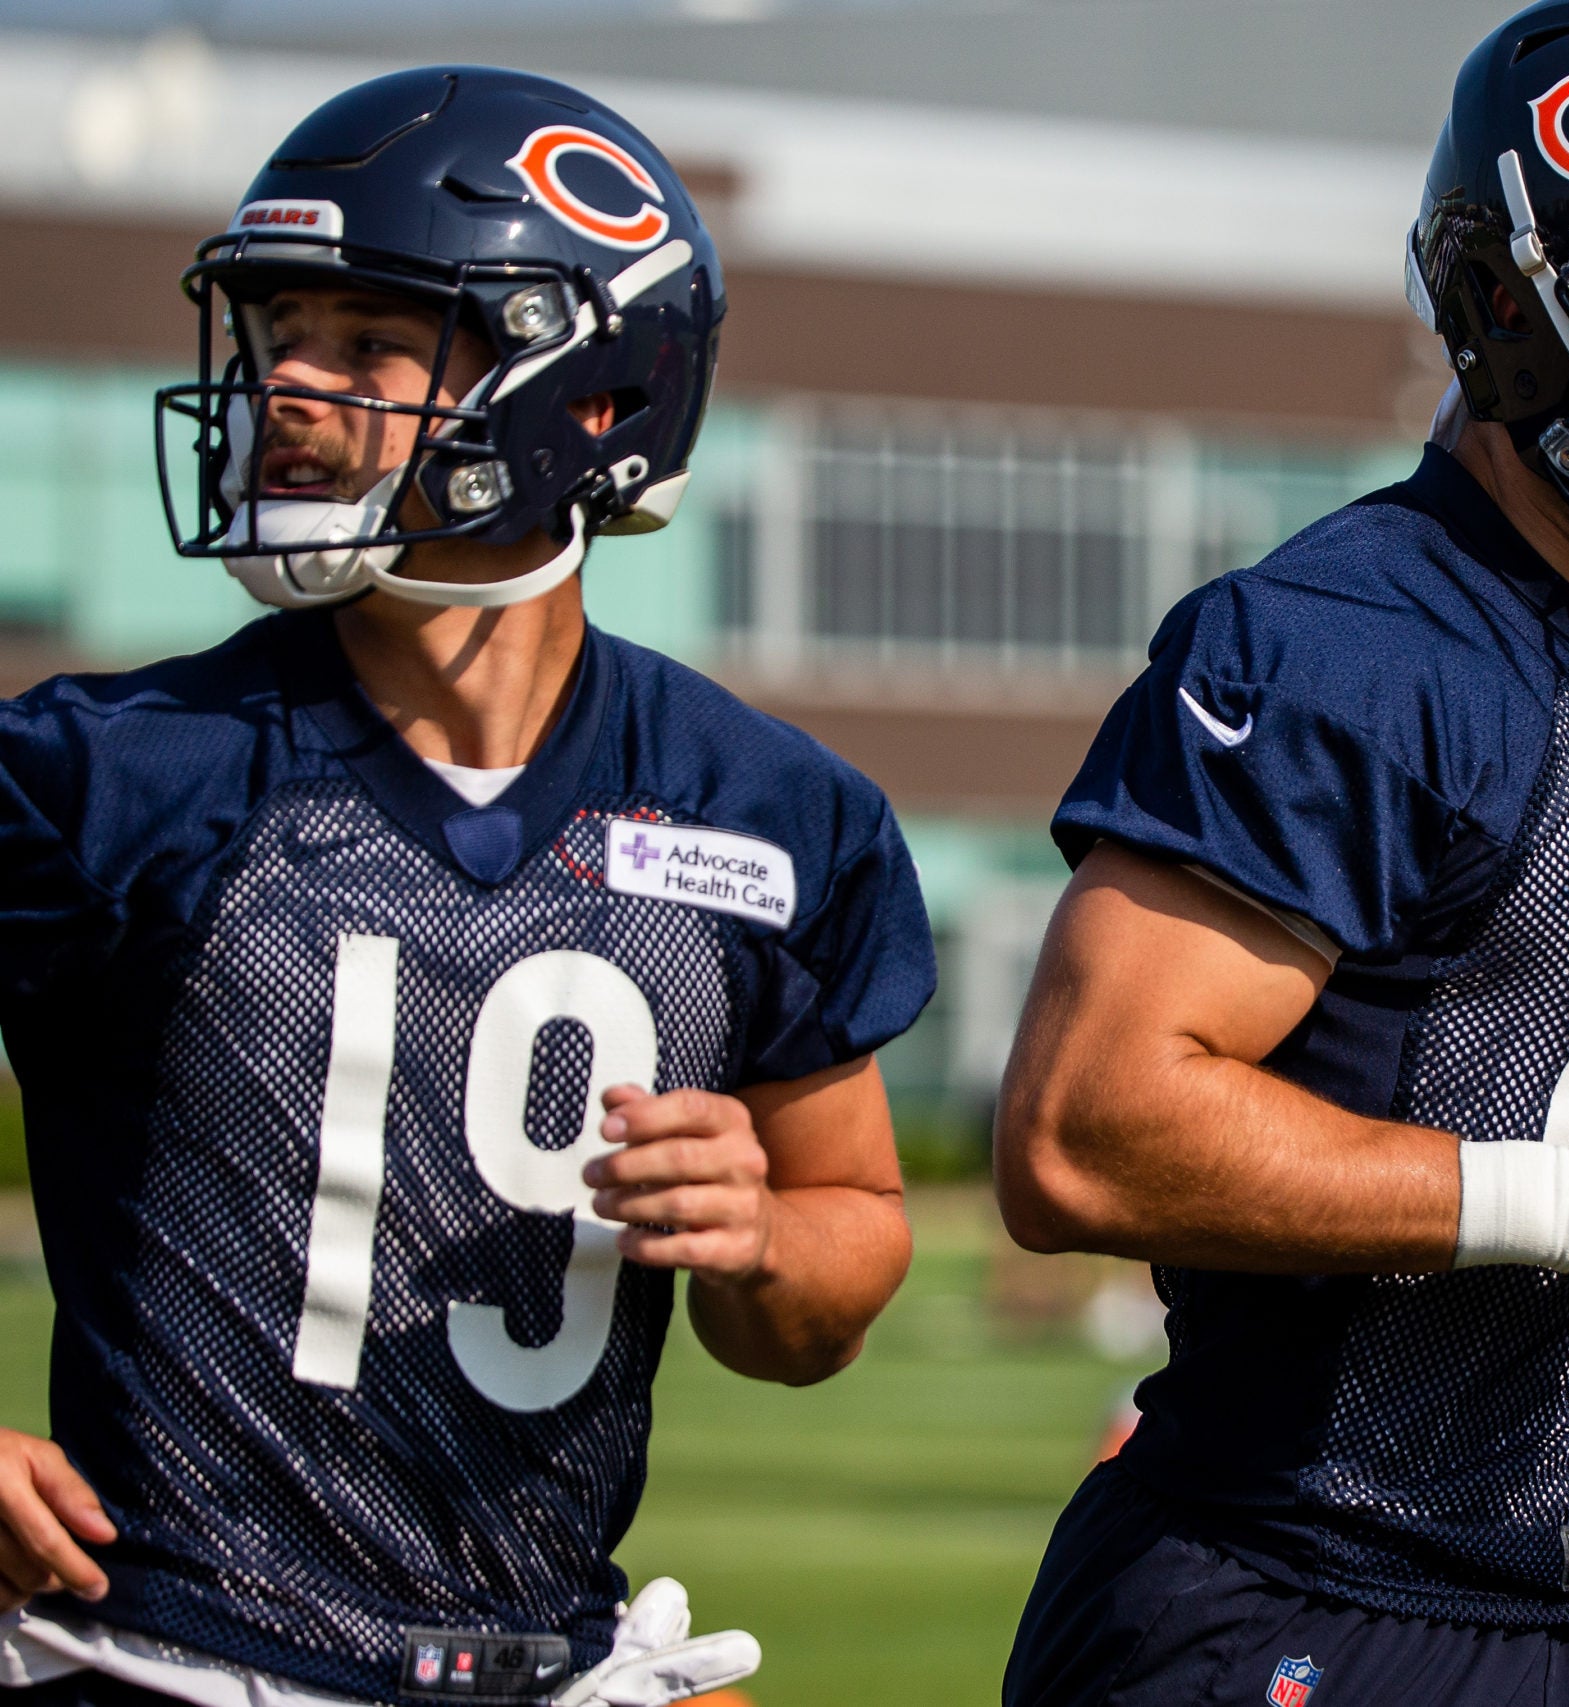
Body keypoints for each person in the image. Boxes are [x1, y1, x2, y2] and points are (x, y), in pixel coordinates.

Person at [993, 2, 1569, 1702]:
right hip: (1306, 1600)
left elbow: (1522, 1118)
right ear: (1518, 321)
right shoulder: (1343, 647)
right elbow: (1083, 1133)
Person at [0, 66, 933, 1707]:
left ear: (583, 396)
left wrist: (764, 1234)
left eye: (366, 344)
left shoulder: (774, 812)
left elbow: (835, 1278)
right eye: (279, 330)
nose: (288, 384)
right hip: (157, 1658)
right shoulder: (113, 770)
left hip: (541, 1663)